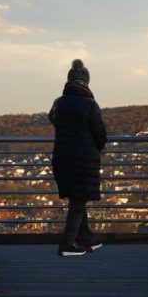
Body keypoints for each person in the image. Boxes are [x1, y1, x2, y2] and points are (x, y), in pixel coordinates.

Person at [49, 59, 107, 257]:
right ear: (86, 82)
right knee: (78, 201)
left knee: (77, 199)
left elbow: (53, 119)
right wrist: (95, 148)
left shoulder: (58, 103)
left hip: (61, 157)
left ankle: (86, 238)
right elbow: (100, 134)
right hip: (82, 159)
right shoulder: (90, 104)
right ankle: (67, 244)